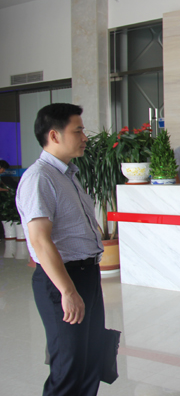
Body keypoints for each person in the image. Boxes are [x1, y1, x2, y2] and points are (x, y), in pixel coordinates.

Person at [16, 103, 106, 396]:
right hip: (62, 280)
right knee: (69, 367)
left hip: (86, 274)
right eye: (78, 131)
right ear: (54, 135)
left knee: (91, 359)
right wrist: (67, 291)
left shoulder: (67, 174)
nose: (84, 137)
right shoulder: (39, 178)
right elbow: (41, 241)